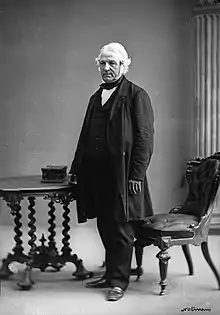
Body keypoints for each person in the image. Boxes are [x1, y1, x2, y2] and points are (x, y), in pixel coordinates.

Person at [69, 42, 154, 301]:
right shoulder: (97, 97)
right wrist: (76, 170)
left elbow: (145, 139)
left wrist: (136, 175)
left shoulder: (137, 95)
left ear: (124, 65)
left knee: (122, 228)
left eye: (112, 63)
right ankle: (109, 275)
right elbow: (84, 137)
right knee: (105, 225)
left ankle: (118, 282)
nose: (107, 68)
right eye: (103, 63)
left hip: (124, 175)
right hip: (97, 174)